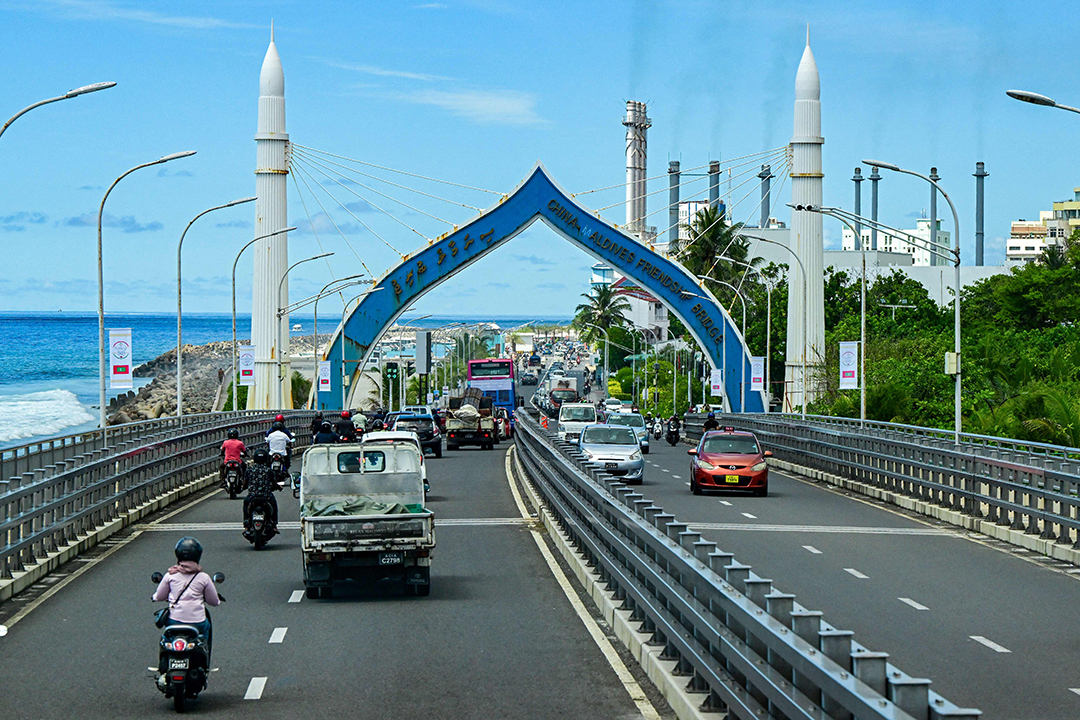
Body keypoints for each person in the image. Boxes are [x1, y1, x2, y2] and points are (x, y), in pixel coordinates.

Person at [152, 537, 220, 662]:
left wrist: (154, 597)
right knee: (205, 629)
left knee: (166, 638)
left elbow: (159, 596)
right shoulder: (204, 578)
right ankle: (203, 660)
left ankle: (164, 663)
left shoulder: (170, 575)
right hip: (197, 621)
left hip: (174, 621)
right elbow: (213, 601)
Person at [243, 449, 281, 540]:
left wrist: (243, 487)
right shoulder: (269, 470)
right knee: (274, 505)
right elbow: (274, 483)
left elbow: (245, 483)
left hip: (252, 497)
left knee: (246, 504)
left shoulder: (249, 470)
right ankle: (274, 524)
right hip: (266, 497)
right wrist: (279, 488)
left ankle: (247, 524)